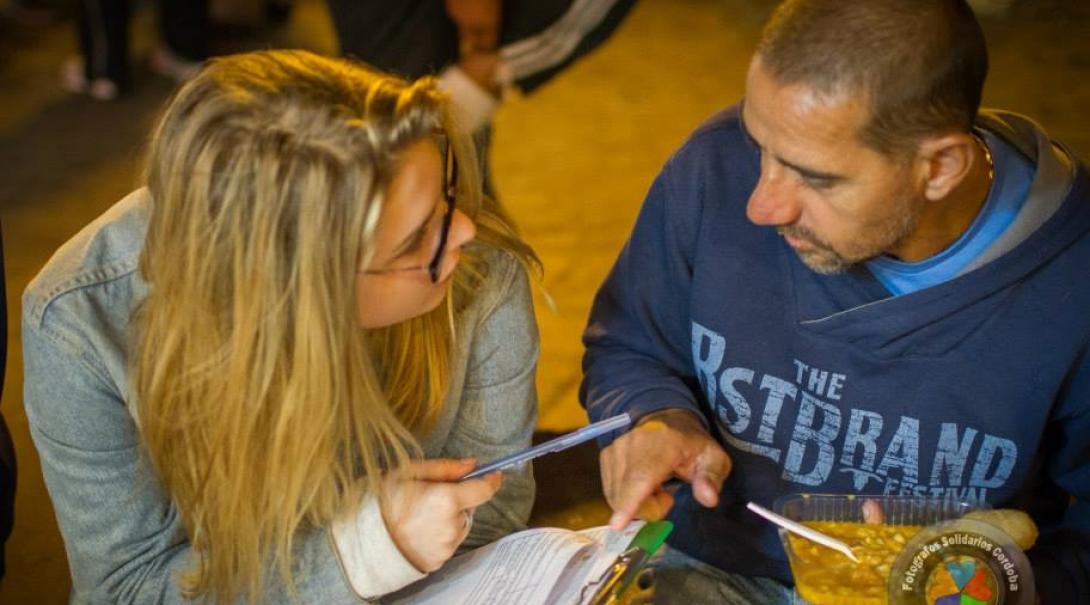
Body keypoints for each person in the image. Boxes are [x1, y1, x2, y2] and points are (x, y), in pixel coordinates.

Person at [581, 0, 1090, 602]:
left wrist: (995, 585)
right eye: (759, 146)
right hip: (715, 568)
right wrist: (657, 416)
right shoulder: (712, 168)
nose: (761, 206)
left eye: (816, 178)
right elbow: (629, 344)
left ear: (941, 168)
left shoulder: (1072, 279)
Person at [23, 49, 541, 603]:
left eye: (447, 188)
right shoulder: (81, 322)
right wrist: (364, 552)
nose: (463, 231)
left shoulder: (479, 274)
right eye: (415, 240)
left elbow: (491, 516)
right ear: (297, 291)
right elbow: (125, 590)